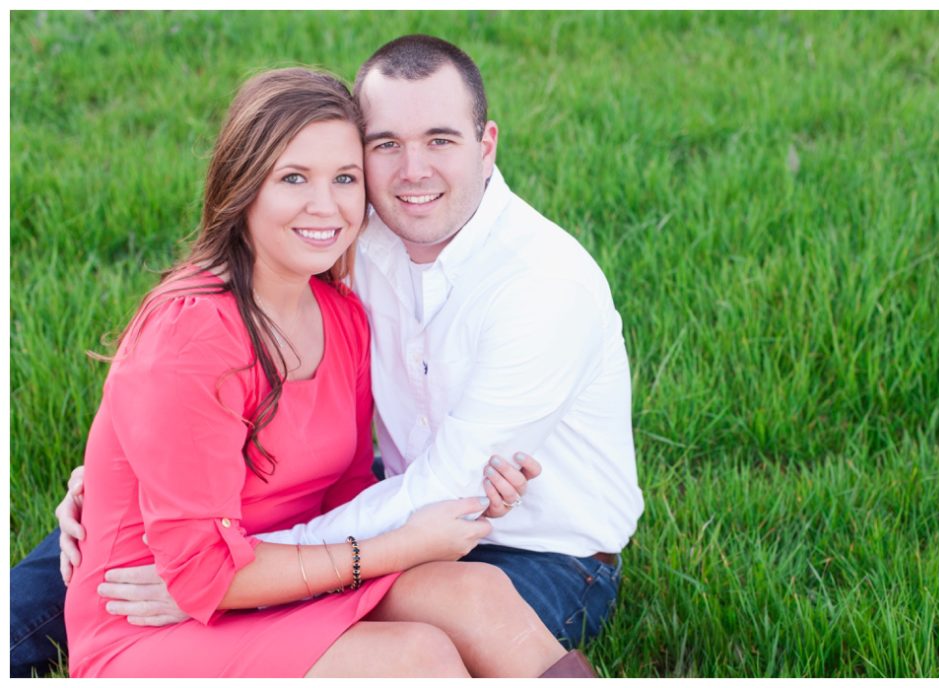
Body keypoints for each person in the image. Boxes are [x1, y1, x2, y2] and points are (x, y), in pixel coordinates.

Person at [12, 34, 641, 676]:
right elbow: (204, 548)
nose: (410, 172)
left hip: (502, 547)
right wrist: (136, 489)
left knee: (475, 599)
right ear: (243, 185)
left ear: (486, 146)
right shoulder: (269, 294)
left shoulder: (505, 288)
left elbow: (385, 490)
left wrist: (225, 561)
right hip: (181, 598)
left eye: (343, 178)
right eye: (384, 146)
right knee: (417, 656)